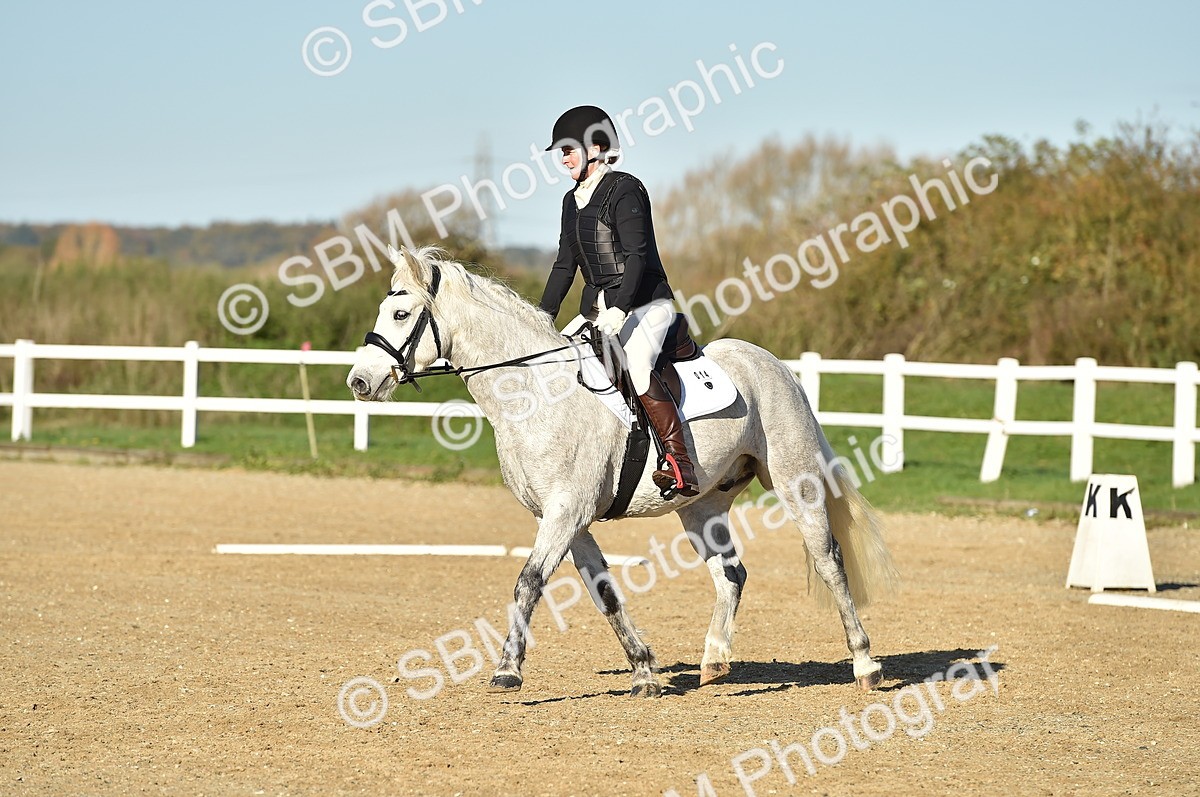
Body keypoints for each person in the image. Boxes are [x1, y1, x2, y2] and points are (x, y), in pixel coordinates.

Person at [538, 105, 698, 497]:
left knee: (638, 365)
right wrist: (542, 317)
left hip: (645, 303)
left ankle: (679, 463)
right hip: (595, 308)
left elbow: (637, 256)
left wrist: (621, 308)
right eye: (560, 152)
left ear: (595, 147)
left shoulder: (626, 188)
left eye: (568, 149)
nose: (564, 159)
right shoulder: (570, 201)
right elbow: (564, 266)